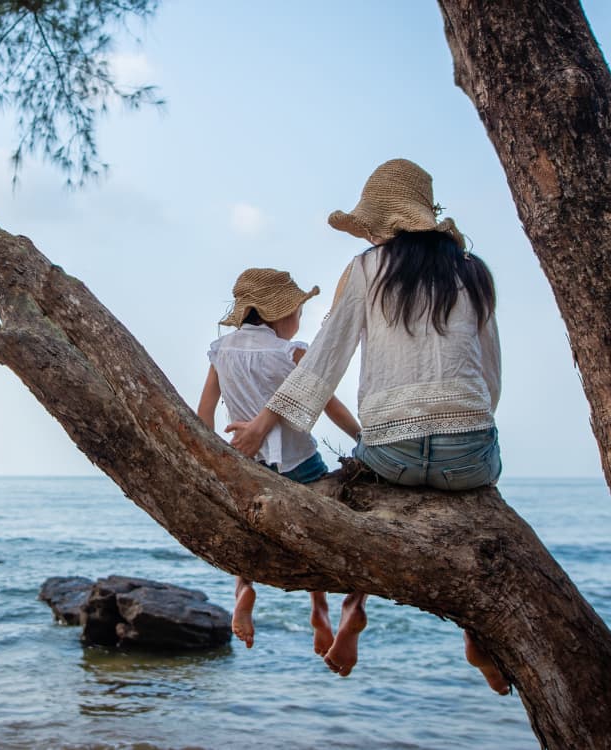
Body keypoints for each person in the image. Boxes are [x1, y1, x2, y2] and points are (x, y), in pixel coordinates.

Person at [224, 158, 510, 692]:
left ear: (382, 224)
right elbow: (489, 379)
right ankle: (476, 631)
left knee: (363, 501)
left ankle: (355, 608)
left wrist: (261, 429)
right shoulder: (475, 273)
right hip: (467, 457)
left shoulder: (364, 268)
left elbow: (323, 362)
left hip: (391, 456)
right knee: (479, 503)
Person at [196, 267, 361, 653]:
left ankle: (243, 590)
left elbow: (204, 409)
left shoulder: (222, 351)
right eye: (297, 311)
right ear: (280, 314)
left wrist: (210, 456)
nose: (298, 319)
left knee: (248, 526)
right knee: (320, 527)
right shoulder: (290, 352)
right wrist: (361, 438)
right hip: (299, 463)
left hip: (245, 462)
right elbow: (328, 404)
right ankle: (320, 607)